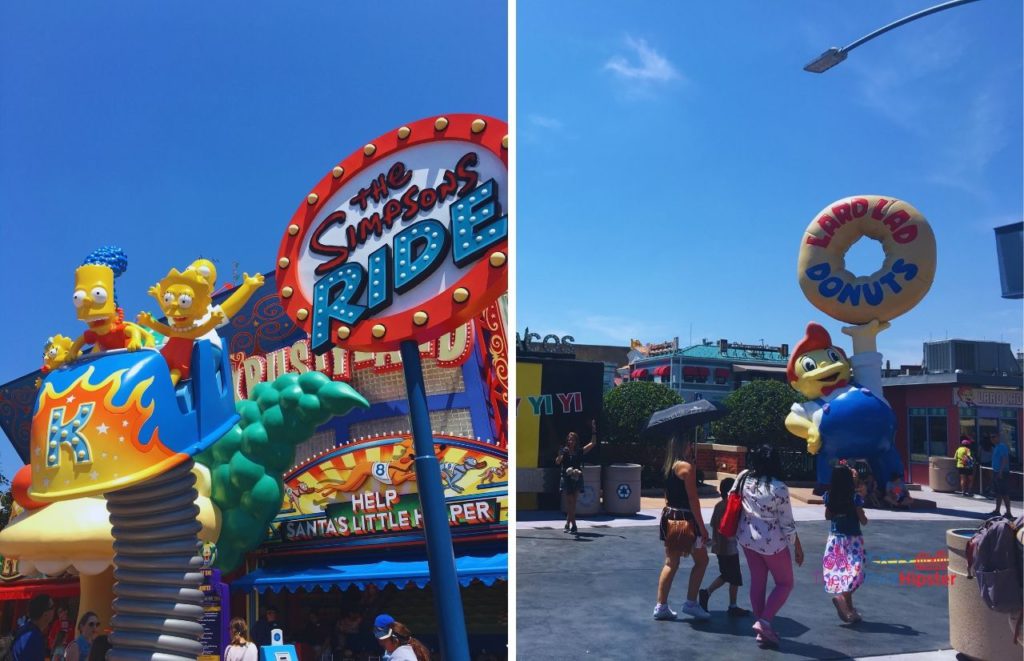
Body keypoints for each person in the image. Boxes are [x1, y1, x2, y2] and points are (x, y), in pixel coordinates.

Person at [735, 444, 804, 648]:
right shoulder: (778, 488)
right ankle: (764, 622)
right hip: (772, 543)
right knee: (785, 583)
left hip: (748, 538)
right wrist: (797, 547)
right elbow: (787, 525)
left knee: (758, 581)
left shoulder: (745, 479)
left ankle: (763, 629)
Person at [653, 434, 711, 621]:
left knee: (671, 562)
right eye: (688, 442)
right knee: (702, 561)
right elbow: (693, 500)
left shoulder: (668, 467)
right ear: (682, 445)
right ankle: (691, 603)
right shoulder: (687, 468)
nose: (690, 445)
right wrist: (702, 528)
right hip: (686, 520)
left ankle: (661, 605)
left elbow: (667, 495)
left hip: (670, 517)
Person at [699, 477, 750, 617]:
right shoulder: (731, 507)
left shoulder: (719, 505)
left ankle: (731, 604)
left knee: (732, 576)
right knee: (731, 576)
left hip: (719, 546)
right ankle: (707, 593)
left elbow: (713, 524)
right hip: (728, 547)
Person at [824, 465, 869, 623]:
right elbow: (863, 521)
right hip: (853, 540)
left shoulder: (830, 496)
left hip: (835, 540)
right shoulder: (854, 498)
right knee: (857, 574)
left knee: (844, 575)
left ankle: (850, 610)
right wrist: (861, 513)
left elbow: (828, 516)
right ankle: (842, 598)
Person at [554, 419, 598, 534]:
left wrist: (594, 430)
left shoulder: (579, 451)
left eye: (572, 439)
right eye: (569, 439)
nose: (570, 441)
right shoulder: (564, 450)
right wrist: (561, 454)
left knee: (573, 502)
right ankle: (574, 525)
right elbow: (557, 462)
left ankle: (567, 523)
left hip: (577, 477)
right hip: (567, 477)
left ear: (576, 441)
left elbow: (593, 443)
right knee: (570, 502)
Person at [12, 594, 55, 661]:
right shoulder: (33, 638)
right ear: (45, 614)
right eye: (52, 607)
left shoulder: (25, 630)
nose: (54, 610)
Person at [989, 434, 1013, 517]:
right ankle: (997, 510)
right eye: (991, 437)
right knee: (998, 492)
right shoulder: (996, 447)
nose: (992, 439)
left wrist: (1001, 471)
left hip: (1002, 472)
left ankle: (1008, 512)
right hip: (996, 471)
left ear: (998, 437)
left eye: (993, 437)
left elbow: (1004, 459)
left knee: (1004, 492)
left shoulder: (1002, 446)